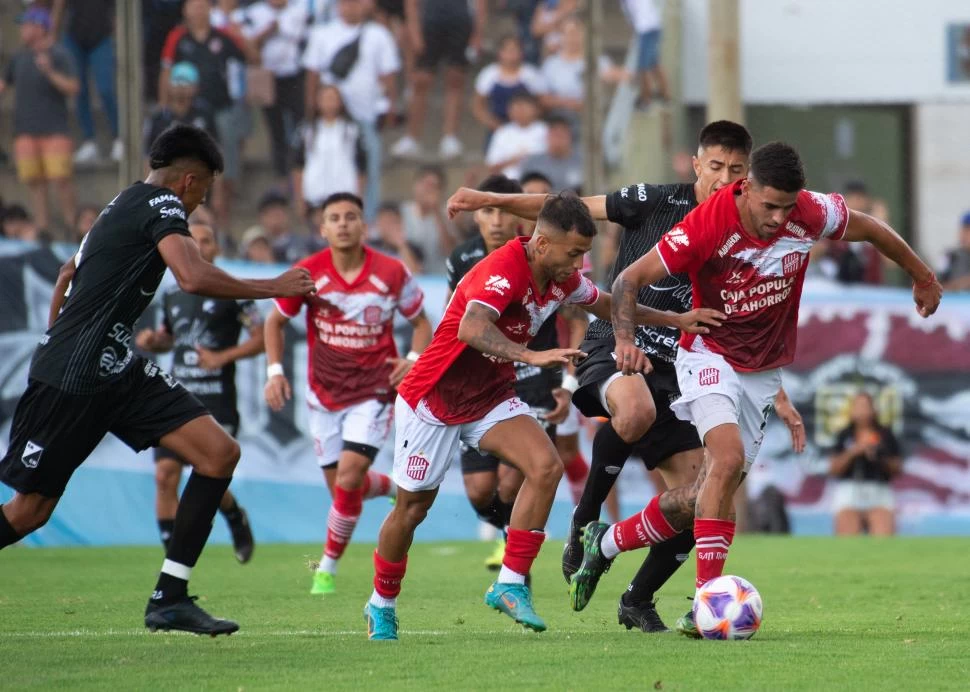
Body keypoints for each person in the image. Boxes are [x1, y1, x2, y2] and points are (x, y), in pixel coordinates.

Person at [446, 121, 802, 634]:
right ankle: (584, 521)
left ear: (748, 177)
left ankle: (637, 597)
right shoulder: (655, 201)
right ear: (697, 164)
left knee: (705, 498)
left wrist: (779, 393)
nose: (725, 178)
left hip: (680, 365)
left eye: (736, 170)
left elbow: (743, 330)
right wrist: (484, 197)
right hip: (619, 345)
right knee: (634, 409)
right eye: (716, 167)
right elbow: (562, 209)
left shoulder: (747, 232)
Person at [592, 141, 941, 635]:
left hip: (762, 372)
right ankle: (707, 604)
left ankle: (606, 544)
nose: (779, 218)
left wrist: (921, 275)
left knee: (708, 493)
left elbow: (870, 229)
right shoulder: (706, 224)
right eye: (768, 205)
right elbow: (627, 280)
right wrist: (623, 341)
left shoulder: (811, 211)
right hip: (708, 354)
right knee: (727, 461)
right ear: (746, 187)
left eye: (786, 206)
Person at [0, 124, 315, 635]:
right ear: (189, 182)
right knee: (28, 512)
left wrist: (59, 335)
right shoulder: (163, 206)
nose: (198, 206)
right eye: (205, 193)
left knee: (219, 453)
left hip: (116, 366)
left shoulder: (118, 203)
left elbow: (64, 274)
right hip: (73, 379)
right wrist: (273, 285)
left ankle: (170, 597)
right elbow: (191, 277)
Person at [363, 191, 722, 640]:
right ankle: (382, 602)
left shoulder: (562, 278)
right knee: (413, 508)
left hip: (488, 397)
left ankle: (510, 584)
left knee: (546, 466)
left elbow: (610, 305)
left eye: (584, 255)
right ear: (541, 244)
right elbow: (470, 327)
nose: (579, 265)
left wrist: (676, 319)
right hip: (433, 399)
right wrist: (529, 356)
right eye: (573, 254)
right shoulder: (503, 270)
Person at [264, 192, 432, 596]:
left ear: (364, 225)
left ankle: (327, 568)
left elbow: (422, 322)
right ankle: (393, 487)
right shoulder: (307, 273)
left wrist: (411, 357)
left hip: (374, 391)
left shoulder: (392, 272)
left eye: (351, 216)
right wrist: (273, 372)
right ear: (322, 229)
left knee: (350, 477)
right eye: (334, 218)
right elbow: (274, 322)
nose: (342, 224)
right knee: (342, 488)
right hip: (323, 393)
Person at [444, 174, 583, 573]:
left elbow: (580, 316)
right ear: (478, 219)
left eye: (506, 210)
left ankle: (514, 563)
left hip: (535, 379)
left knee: (516, 478)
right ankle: (511, 532)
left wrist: (568, 383)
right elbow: (458, 321)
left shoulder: (548, 261)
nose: (498, 220)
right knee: (480, 490)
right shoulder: (464, 260)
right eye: (489, 211)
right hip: (480, 381)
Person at [135, 222, 262, 563]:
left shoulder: (233, 290)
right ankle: (171, 562)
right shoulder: (173, 293)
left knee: (205, 477)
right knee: (165, 475)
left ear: (216, 248)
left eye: (206, 241)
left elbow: (262, 338)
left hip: (216, 401)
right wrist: (154, 341)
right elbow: (169, 337)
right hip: (175, 397)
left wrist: (222, 356)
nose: (199, 247)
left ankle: (235, 515)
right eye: (192, 241)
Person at [302, 0, 401, 220]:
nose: (350, 7)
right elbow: (312, 75)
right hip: (330, 116)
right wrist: (312, 110)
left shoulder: (378, 34)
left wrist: (390, 107)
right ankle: (324, 218)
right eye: (345, 3)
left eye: (355, 2)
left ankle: (369, 219)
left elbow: (389, 76)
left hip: (364, 115)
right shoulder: (322, 34)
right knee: (328, 166)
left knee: (369, 169)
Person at [160, 0, 252, 229]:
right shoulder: (177, 37)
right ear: (185, 10)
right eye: (194, 5)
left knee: (224, 168)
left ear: (210, 9)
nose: (198, 10)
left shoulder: (223, 36)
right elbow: (166, 71)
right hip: (187, 113)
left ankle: (223, 224)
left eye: (203, 5)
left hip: (221, 110)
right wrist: (165, 106)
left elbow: (251, 59)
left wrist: (239, 33)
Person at [0, 5, 79, 235]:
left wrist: (49, 72)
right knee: (35, 182)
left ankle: (73, 228)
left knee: (61, 180)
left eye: (26, 25)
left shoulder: (59, 54)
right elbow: (4, 84)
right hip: (25, 130)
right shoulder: (18, 57)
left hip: (55, 129)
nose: (22, 30)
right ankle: (43, 229)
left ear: (39, 27)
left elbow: (73, 88)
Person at [391, 0, 486, 160]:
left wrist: (478, 33)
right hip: (429, 22)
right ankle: (412, 138)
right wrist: (414, 29)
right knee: (421, 80)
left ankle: (450, 137)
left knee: (456, 79)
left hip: (460, 21)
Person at [236, 0, 307, 184]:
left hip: (293, 76)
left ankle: (301, 173)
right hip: (266, 76)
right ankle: (282, 178)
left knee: (299, 127)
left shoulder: (299, 10)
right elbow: (247, 44)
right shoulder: (253, 13)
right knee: (276, 130)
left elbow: (301, 38)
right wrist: (267, 32)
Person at [51, 0, 122, 164]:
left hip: (102, 35)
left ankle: (118, 137)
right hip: (74, 36)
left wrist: (119, 37)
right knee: (79, 90)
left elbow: (118, 9)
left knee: (106, 89)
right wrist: (53, 35)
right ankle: (89, 140)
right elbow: (59, 5)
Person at [829, 392, 902, 536]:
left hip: (878, 489)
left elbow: (897, 468)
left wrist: (877, 456)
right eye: (858, 406)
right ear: (852, 411)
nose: (862, 411)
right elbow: (833, 469)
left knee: (883, 536)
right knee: (847, 536)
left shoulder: (885, 434)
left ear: (873, 410)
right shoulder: (844, 435)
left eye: (865, 406)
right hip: (849, 490)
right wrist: (854, 451)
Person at [539, 14, 627, 128]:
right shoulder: (550, 64)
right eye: (569, 33)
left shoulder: (597, 61)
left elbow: (616, 74)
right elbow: (543, 99)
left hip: (590, 118)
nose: (573, 38)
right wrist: (571, 104)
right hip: (559, 120)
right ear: (561, 36)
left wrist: (613, 75)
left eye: (577, 33)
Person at [290, 84, 366, 215]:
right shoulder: (307, 131)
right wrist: (299, 198)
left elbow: (361, 166)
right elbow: (298, 165)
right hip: (315, 195)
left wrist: (359, 195)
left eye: (333, 98)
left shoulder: (352, 130)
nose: (329, 103)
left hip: (345, 194)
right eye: (325, 98)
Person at [472, 35, 547, 139]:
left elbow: (543, 102)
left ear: (521, 53)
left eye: (514, 50)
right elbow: (478, 106)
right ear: (500, 53)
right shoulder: (489, 74)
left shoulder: (531, 74)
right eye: (507, 50)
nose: (511, 55)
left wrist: (528, 121)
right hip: (497, 126)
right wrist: (495, 125)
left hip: (527, 127)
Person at [143, 62, 219, 160]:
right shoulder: (158, 119)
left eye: (186, 82)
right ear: (169, 86)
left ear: (196, 87)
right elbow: (148, 158)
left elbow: (216, 155)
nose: (181, 87)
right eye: (176, 81)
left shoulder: (205, 115)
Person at [400, 165, 456, 274]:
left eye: (434, 186)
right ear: (416, 185)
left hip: (437, 279)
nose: (429, 190)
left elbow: (450, 251)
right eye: (426, 184)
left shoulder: (447, 214)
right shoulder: (402, 212)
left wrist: (436, 212)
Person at [485, 91, 548, 181]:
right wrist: (515, 160)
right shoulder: (502, 132)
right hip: (509, 184)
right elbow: (492, 167)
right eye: (515, 108)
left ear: (535, 109)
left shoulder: (545, 130)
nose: (519, 112)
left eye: (523, 108)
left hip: (539, 183)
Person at [621, 0, 668, 109]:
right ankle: (665, 94)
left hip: (646, 28)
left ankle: (646, 99)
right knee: (654, 63)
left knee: (643, 66)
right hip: (650, 26)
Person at [520, 115, 583, 193]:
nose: (558, 139)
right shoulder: (533, 162)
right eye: (554, 134)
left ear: (570, 136)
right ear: (547, 136)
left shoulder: (583, 163)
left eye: (562, 135)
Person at [369, 202, 425, 274]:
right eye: (383, 221)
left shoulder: (414, 249)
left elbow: (415, 273)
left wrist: (401, 246)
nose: (386, 226)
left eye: (390, 221)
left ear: (400, 223)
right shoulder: (370, 245)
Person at [937, 211, 970, 291]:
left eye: (968, 231)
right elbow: (937, 285)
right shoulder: (950, 256)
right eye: (963, 230)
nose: (964, 235)